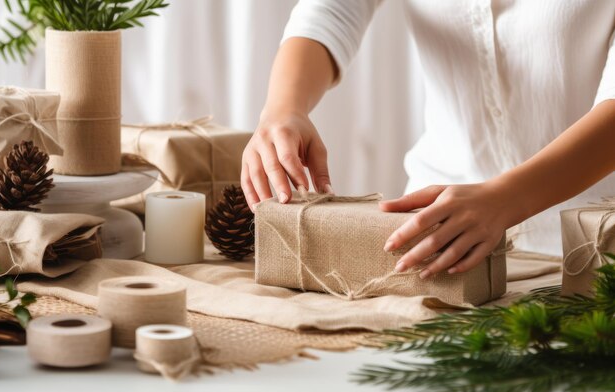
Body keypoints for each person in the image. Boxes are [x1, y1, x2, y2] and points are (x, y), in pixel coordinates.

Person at [240, 0, 615, 278]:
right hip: (437, 238)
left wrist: (509, 198)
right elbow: (331, 9)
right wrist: (283, 109)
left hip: (593, 246)